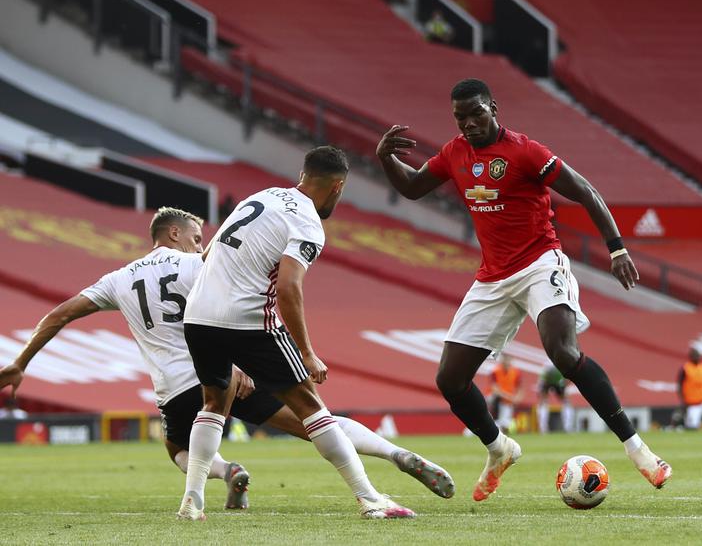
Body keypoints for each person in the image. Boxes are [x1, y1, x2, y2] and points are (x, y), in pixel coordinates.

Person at [0, 206, 452, 513]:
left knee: (176, 448)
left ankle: (225, 473)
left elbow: (60, 314)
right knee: (316, 421)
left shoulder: (118, 280)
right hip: (239, 376)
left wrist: (21, 362)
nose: (202, 245)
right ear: (173, 234)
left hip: (178, 388)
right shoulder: (202, 266)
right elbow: (234, 312)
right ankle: (394, 454)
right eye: (197, 238)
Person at [376, 78, 671, 502]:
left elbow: (585, 191)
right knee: (450, 379)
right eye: (461, 117)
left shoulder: (526, 152)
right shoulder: (455, 152)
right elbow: (412, 187)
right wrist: (386, 159)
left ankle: (639, 450)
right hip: (493, 277)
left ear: (493, 107)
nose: (470, 124)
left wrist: (617, 248)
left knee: (563, 353)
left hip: (539, 263)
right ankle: (499, 448)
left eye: (477, 113)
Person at [177, 147, 418, 520]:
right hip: (248, 318)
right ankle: (370, 499)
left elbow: (207, 254)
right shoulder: (308, 223)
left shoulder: (259, 197)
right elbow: (289, 287)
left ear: (303, 174)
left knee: (212, 404)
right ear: (337, 186)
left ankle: (192, 500)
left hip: (198, 316)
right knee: (311, 407)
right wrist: (306, 351)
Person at [488, 354, 522, 433]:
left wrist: (517, 398)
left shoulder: (516, 372)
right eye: (505, 359)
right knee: (495, 420)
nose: (507, 361)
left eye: (508, 359)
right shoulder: (495, 371)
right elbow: (495, 390)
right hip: (495, 399)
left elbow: (519, 388)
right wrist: (511, 397)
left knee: (505, 423)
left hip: (508, 402)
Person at [537, 361, 573, 433]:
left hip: (558, 379)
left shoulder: (561, 362)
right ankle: (543, 428)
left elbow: (568, 378)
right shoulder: (548, 364)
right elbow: (542, 379)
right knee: (543, 403)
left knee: (566, 402)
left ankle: (567, 427)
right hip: (549, 379)